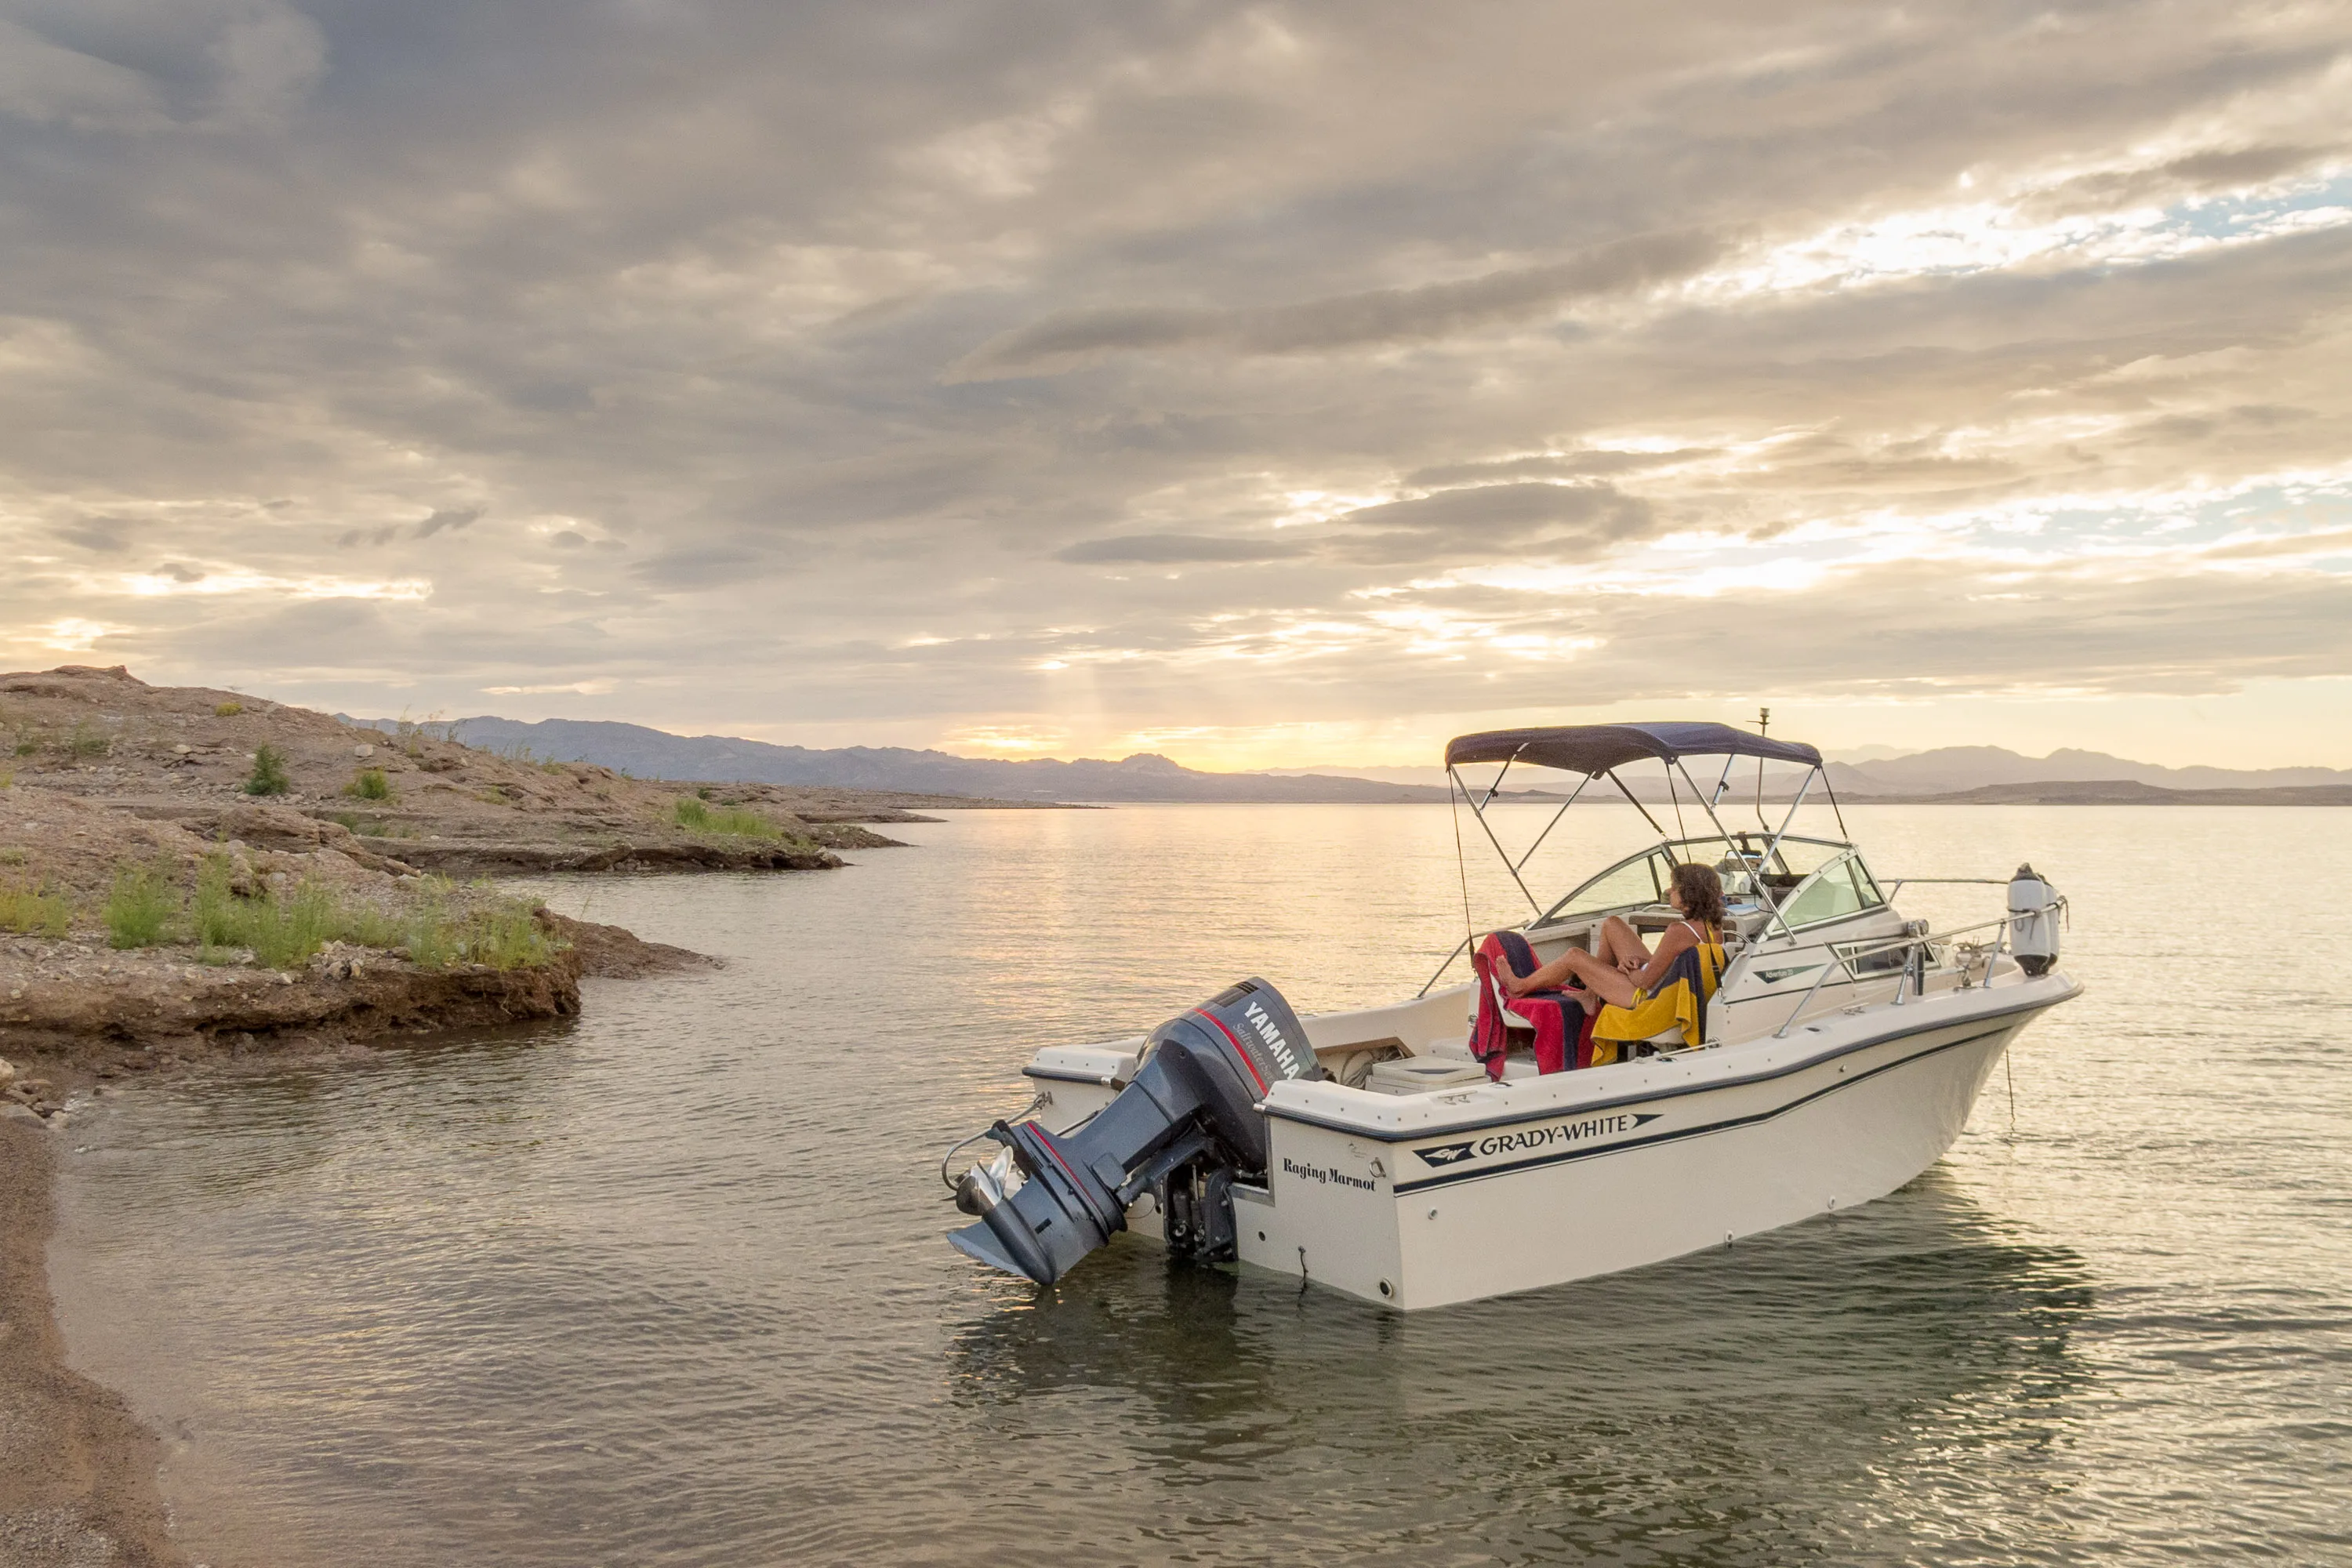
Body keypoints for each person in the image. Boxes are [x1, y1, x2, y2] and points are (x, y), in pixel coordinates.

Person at [1500, 862, 1729, 1044]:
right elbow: (1672, 966)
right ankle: (1590, 996)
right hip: (1665, 988)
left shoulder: (1679, 930)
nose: (1669, 891)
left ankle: (1520, 986)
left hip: (1648, 998)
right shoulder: (1713, 926)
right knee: (1612, 924)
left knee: (1574, 957)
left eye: (1674, 887)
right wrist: (1638, 962)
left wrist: (1629, 969)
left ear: (1688, 894)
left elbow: (1645, 981)